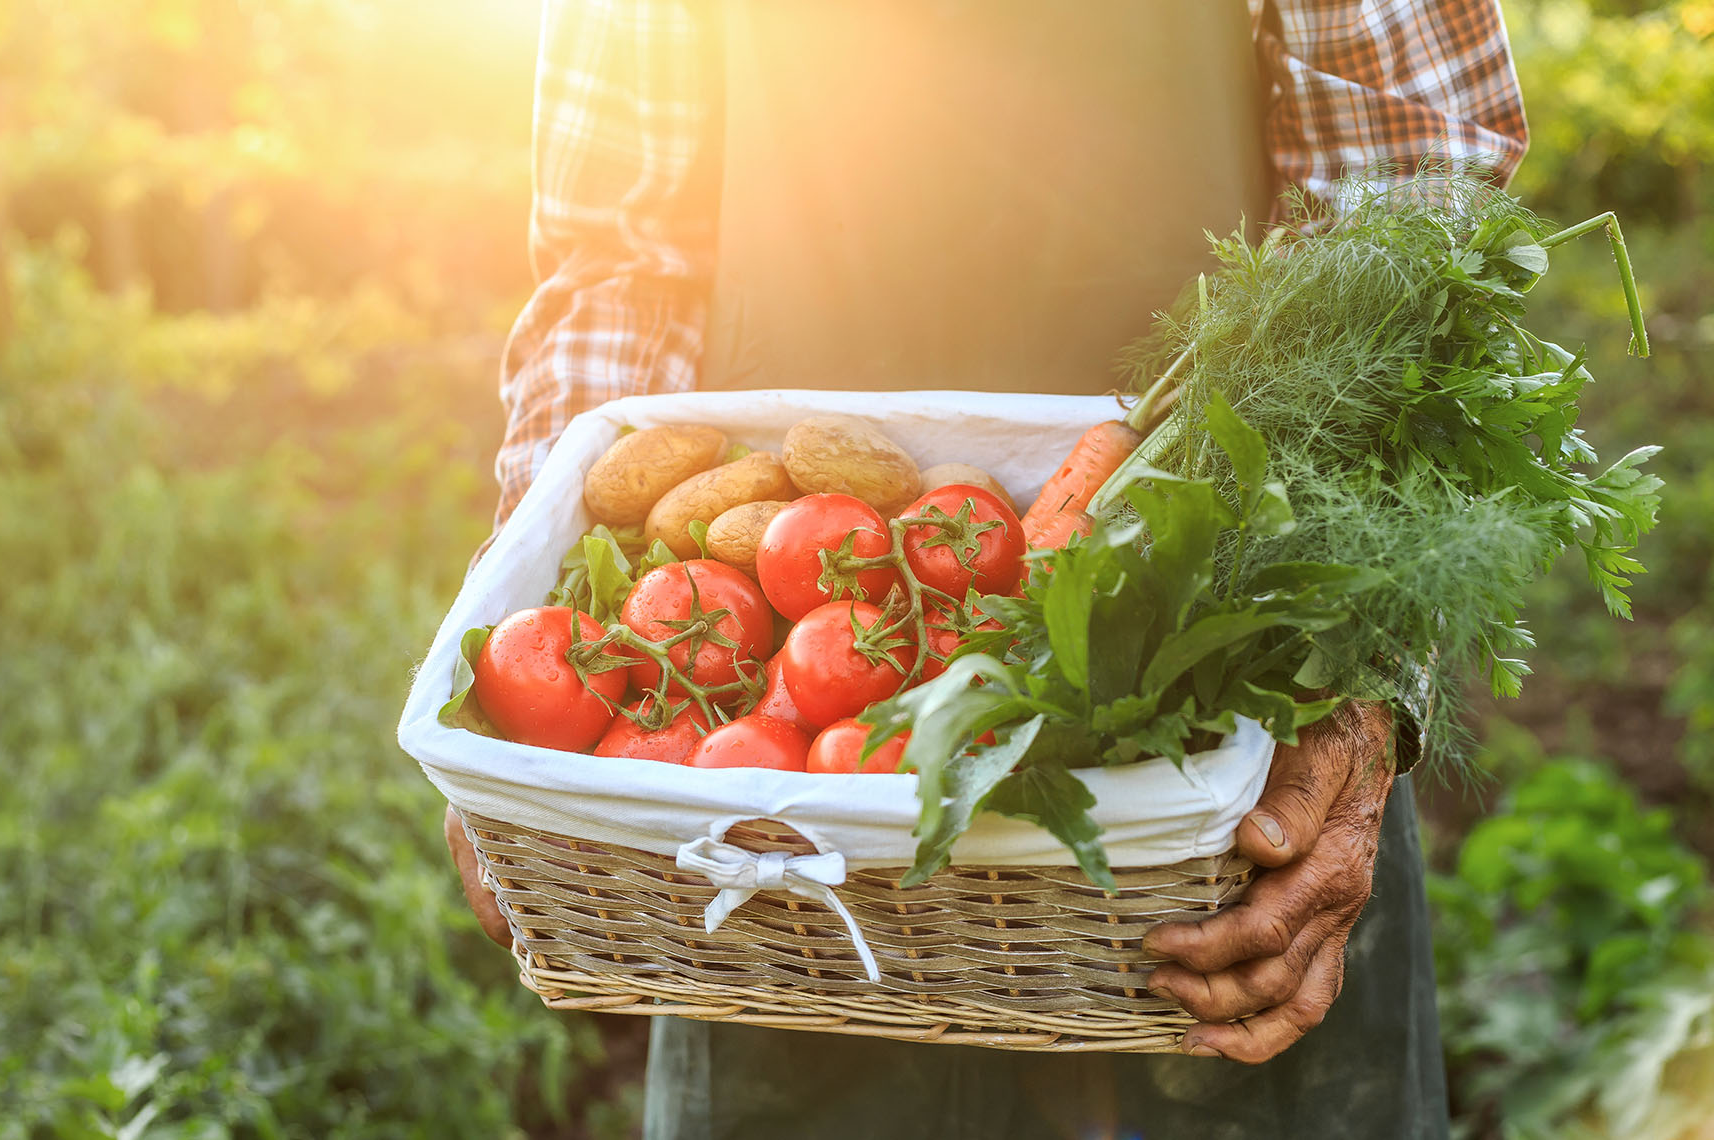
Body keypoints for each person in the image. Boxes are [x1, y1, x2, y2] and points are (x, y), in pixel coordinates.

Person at [449, 2, 1527, 1136]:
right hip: (773, 796)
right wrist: (519, 654)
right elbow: (625, 262)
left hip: (1230, 719)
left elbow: (1410, 198)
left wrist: (1347, 685)